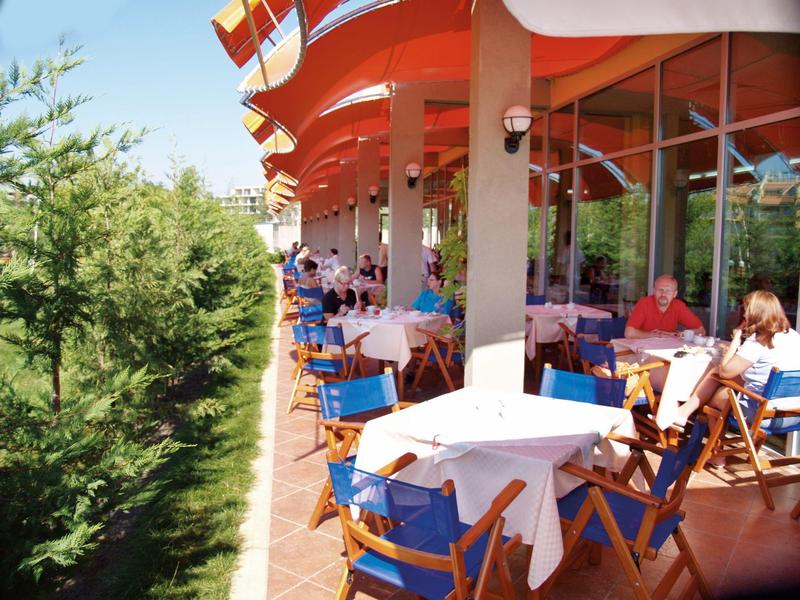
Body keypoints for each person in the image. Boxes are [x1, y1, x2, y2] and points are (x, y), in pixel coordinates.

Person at [676, 290, 800, 428]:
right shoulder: (793, 335)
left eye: (746, 310)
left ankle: (712, 446)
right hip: (793, 414)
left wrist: (736, 339)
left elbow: (724, 371)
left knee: (717, 388)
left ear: (755, 312)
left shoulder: (759, 340)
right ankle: (685, 414)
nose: (744, 315)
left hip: (762, 414)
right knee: (722, 383)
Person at [625, 275, 705, 339]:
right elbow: (629, 333)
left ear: (675, 294)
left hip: (669, 351)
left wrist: (678, 334)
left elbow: (701, 331)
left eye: (668, 291)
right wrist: (657, 335)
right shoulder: (644, 303)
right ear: (654, 291)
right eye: (660, 290)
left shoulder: (678, 306)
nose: (663, 294)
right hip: (642, 350)